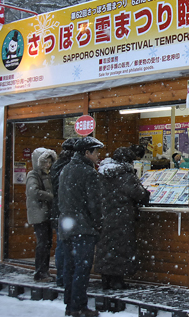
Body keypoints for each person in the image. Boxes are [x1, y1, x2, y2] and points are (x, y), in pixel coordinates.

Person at [59, 136, 104, 317]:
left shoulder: (66, 170)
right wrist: (98, 224)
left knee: (69, 267)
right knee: (82, 269)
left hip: (67, 227)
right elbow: (94, 204)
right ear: (87, 152)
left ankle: (70, 305)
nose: (98, 156)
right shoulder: (89, 173)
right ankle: (79, 306)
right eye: (96, 152)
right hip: (84, 228)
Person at [96, 147, 150, 290]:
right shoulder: (125, 174)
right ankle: (117, 280)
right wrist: (146, 194)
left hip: (105, 215)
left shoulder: (102, 173)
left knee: (107, 246)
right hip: (122, 217)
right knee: (121, 247)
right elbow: (138, 194)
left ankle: (105, 279)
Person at [49, 137, 79, 287]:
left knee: (62, 244)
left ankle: (62, 276)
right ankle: (65, 277)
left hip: (58, 210)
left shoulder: (57, 165)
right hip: (66, 212)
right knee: (65, 246)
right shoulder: (69, 167)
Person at [26, 147, 57, 282]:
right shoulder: (33, 175)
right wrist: (50, 196)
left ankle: (44, 270)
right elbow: (33, 192)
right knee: (43, 243)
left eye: (50, 162)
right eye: (45, 162)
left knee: (47, 243)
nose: (48, 165)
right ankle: (40, 272)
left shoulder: (47, 175)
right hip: (39, 214)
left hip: (46, 213)